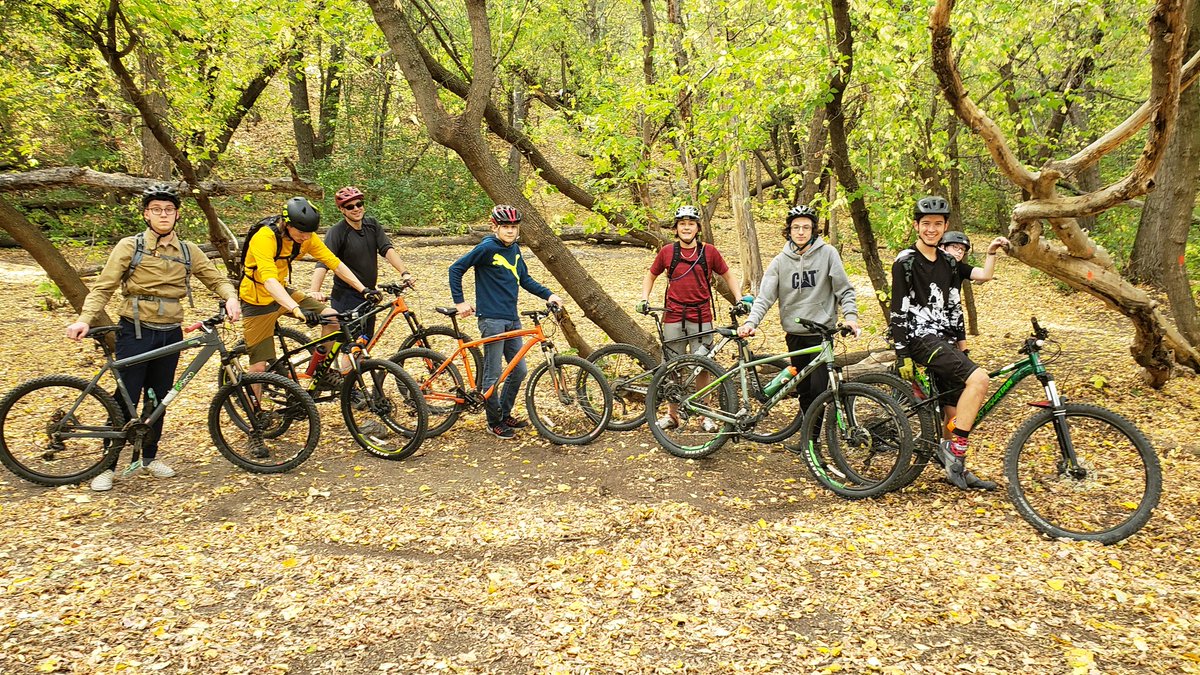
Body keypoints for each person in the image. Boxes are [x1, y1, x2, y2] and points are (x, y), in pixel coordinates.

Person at [65, 183, 242, 491]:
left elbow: (215, 279)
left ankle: (148, 457)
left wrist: (231, 297)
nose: (163, 215)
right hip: (135, 331)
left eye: (169, 210)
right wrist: (84, 320)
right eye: (157, 210)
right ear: (146, 214)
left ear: (176, 215)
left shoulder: (188, 250)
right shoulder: (129, 247)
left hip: (171, 333)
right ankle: (107, 465)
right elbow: (103, 287)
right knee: (127, 398)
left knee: (159, 398)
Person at [890, 196, 1001, 491]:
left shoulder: (950, 262)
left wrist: (990, 252)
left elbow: (984, 275)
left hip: (946, 340)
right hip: (920, 339)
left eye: (937, 224)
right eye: (926, 224)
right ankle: (954, 451)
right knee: (979, 379)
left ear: (945, 227)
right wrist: (902, 354)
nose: (931, 229)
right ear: (916, 226)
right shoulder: (906, 261)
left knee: (953, 410)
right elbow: (898, 308)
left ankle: (956, 468)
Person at [738, 204, 859, 451]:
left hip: (820, 334)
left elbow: (844, 290)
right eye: (796, 227)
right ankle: (807, 441)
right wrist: (751, 322)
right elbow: (765, 297)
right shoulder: (781, 261)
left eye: (806, 227)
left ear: (813, 230)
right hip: (794, 335)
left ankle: (813, 442)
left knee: (818, 391)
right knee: (804, 391)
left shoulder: (828, 254)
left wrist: (851, 317)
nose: (801, 232)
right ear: (789, 231)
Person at [239, 196, 380, 400]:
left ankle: (320, 372)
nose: (306, 237)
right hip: (257, 300)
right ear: (287, 225)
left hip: (283, 291)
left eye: (309, 232)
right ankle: (256, 415)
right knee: (259, 366)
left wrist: (363, 289)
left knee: (332, 317)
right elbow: (269, 280)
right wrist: (297, 310)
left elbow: (334, 263)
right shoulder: (264, 238)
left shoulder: (306, 237)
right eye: (301, 232)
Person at [448, 204, 563, 440]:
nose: (510, 231)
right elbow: (456, 268)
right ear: (495, 227)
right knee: (494, 373)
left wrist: (549, 294)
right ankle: (493, 422)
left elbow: (525, 279)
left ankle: (504, 413)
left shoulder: (515, 249)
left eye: (513, 227)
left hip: (512, 318)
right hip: (491, 319)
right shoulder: (487, 248)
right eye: (505, 227)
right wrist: (460, 302)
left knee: (519, 370)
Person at [638, 205, 739, 430]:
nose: (686, 227)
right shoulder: (667, 252)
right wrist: (644, 298)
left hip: (702, 316)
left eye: (691, 223)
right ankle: (672, 415)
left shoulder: (709, 252)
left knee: (703, 366)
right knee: (672, 366)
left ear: (697, 228)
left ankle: (706, 415)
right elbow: (651, 275)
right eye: (682, 224)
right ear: (676, 228)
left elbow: (728, 274)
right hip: (673, 316)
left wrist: (739, 297)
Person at [309, 186, 414, 341]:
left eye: (359, 204)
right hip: (346, 297)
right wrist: (314, 291)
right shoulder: (337, 232)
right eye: (350, 206)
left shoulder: (372, 225)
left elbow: (387, 250)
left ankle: (360, 365)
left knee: (364, 342)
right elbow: (324, 262)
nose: (356, 209)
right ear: (342, 210)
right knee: (349, 347)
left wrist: (404, 272)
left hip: (369, 294)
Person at [937, 230, 1009, 354]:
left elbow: (986, 275)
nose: (959, 251)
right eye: (955, 247)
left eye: (962, 249)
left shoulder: (960, 268)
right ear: (942, 246)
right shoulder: (928, 267)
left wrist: (991, 252)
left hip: (950, 326)